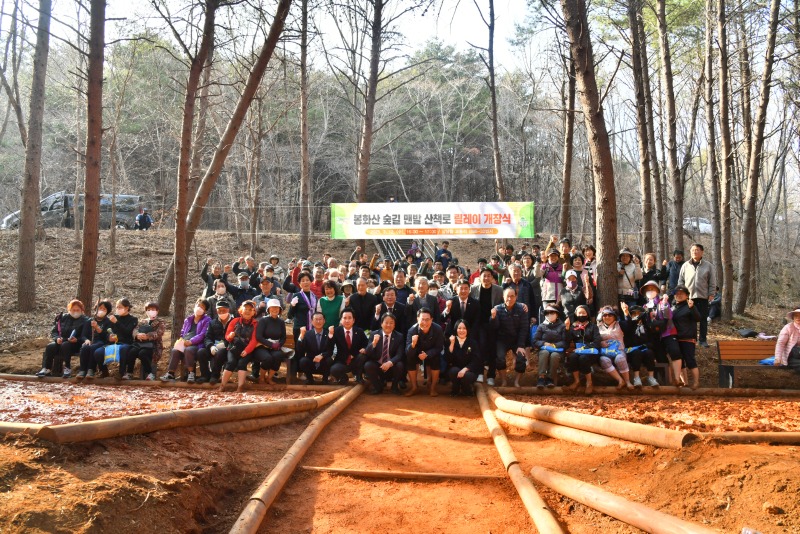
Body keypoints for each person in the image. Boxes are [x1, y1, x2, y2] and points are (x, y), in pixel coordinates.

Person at [161, 299, 210, 383]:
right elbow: (183, 332)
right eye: (198, 305)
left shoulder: (207, 320)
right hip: (185, 342)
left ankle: (191, 373)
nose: (199, 308)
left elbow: (203, 334)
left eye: (202, 307)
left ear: (205, 310)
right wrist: (181, 340)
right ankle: (171, 373)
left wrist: (191, 341)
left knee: (188, 350)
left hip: (198, 345)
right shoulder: (188, 320)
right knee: (175, 350)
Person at [677, 243, 716, 347]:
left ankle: (702, 340)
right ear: (690, 252)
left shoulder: (708, 266)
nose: (695, 252)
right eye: (693, 250)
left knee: (703, 319)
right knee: (689, 319)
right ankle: (692, 338)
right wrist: (681, 294)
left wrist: (711, 294)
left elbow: (712, 282)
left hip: (702, 297)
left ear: (702, 252)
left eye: (697, 250)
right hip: (688, 298)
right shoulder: (685, 265)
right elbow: (680, 281)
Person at [37, 299, 88, 378]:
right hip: (62, 341)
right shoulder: (63, 318)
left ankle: (67, 368)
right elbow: (54, 331)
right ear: (69, 310)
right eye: (73, 310)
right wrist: (57, 338)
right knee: (50, 346)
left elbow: (85, 335)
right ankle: (46, 368)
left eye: (78, 310)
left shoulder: (85, 320)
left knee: (66, 345)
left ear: (82, 310)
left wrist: (77, 340)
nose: (75, 312)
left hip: (76, 344)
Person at [470, 268, 504, 386]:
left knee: (492, 349)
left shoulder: (499, 290)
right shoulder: (473, 289)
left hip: (493, 323)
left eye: (489, 276)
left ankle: (491, 375)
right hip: (479, 323)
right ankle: (479, 372)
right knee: (480, 347)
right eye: (484, 276)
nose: (486, 278)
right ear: (480, 277)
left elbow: (507, 302)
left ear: (492, 278)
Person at [492, 287, 531, 388]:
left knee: (521, 358)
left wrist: (521, 345)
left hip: (517, 340)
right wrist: (493, 317)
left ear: (516, 297)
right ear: (503, 297)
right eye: (507, 296)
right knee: (500, 358)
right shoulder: (497, 309)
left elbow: (524, 328)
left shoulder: (522, 309)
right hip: (502, 340)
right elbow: (494, 327)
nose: (510, 299)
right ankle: (503, 381)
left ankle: (516, 381)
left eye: (512, 296)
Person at [218, 301, 259, 392]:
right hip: (233, 347)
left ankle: (240, 387)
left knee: (242, 364)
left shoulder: (255, 324)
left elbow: (254, 340)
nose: (247, 311)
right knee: (231, 363)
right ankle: (222, 385)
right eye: (245, 309)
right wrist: (230, 336)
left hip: (246, 349)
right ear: (241, 310)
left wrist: (247, 351)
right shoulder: (234, 321)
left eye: (250, 309)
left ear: (253, 312)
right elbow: (227, 337)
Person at [94, 298, 138, 379]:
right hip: (112, 343)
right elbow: (106, 332)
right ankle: (104, 372)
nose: (118, 309)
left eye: (120, 307)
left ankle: (122, 372)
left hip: (126, 343)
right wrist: (109, 337)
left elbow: (128, 332)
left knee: (123, 349)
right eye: (117, 307)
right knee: (98, 352)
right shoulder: (113, 318)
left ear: (127, 308)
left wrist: (117, 322)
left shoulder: (133, 319)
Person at [405, 308, 444, 396]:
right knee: (409, 358)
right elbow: (408, 351)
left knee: (436, 358)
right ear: (417, 319)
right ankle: (414, 387)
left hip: (431, 351)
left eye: (427, 320)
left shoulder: (438, 329)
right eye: (422, 319)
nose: (425, 323)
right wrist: (413, 344)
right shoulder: (412, 330)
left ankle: (432, 387)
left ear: (432, 320)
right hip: (417, 352)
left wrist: (427, 354)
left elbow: (439, 347)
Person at [618, 302, 659, 388]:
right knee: (636, 353)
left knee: (649, 353)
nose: (637, 315)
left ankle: (651, 377)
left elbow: (652, 339)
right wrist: (626, 314)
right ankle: (636, 378)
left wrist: (647, 345)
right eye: (634, 313)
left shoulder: (646, 325)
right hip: (631, 350)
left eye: (639, 314)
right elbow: (627, 327)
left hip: (644, 348)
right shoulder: (626, 324)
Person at [363, 313, 406, 395]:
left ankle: (394, 387)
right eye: (386, 322)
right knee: (368, 365)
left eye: (391, 323)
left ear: (394, 325)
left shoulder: (399, 336)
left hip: (391, 366)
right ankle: (377, 387)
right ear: (381, 324)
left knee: (400, 365)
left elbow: (400, 354)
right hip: (378, 365)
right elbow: (367, 353)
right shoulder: (374, 334)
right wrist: (374, 343)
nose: (388, 325)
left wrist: (390, 363)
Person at [564, 305, 602, 394]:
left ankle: (589, 382)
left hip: (591, 351)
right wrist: (567, 328)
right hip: (577, 351)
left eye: (583, 313)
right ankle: (577, 381)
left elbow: (597, 341)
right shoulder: (574, 327)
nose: (581, 315)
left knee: (583, 358)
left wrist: (584, 348)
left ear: (587, 314)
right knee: (573, 357)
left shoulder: (593, 327)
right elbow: (567, 340)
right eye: (579, 313)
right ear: (576, 314)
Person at [125, 301, 166, 380]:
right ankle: (129, 373)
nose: (151, 311)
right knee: (132, 352)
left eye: (153, 309)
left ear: (157, 311)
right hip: (140, 344)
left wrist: (147, 336)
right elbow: (135, 330)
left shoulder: (161, 322)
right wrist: (137, 335)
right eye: (148, 309)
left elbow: (159, 333)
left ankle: (150, 374)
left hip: (154, 346)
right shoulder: (142, 321)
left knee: (142, 353)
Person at [196, 300, 234, 384]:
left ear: (228, 310)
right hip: (214, 347)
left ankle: (215, 376)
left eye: (223, 310)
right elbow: (207, 337)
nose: (221, 312)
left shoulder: (234, 322)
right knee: (201, 352)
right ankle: (205, 375)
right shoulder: (212, 322)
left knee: (220, 353)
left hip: (228, 347)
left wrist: (225, 343)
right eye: (219, 310)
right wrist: (211, 346)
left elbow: (237, 337)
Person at [596, 306, 634, 390]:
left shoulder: (620, 324)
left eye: (610, 315)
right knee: (603, 360)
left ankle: (628, 381)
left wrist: (626, 313)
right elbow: (595, 340)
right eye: (605, 315)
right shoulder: (598, 327)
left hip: (619, 350)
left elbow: (630, 326)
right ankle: (620, 380)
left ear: (614, 316)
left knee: (620, 358)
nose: (607, 317)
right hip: (605, 352)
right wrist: (601, 343)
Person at [671, 286, 701, 389]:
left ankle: (696, 382)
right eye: (677, 293)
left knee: (690, 360)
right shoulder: (673, 307)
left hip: (687, 338)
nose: (679, 295)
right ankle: (684, 383)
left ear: (687, 295)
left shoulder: (689, 306)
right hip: (676, 338)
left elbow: (698, 318)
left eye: (681, 293)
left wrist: (692, 308)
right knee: (680, 362)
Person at [329, 309, 368, 385]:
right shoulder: (336, 331)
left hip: (356, 360)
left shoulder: (359, 331)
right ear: (341, 320)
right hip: (342, 360)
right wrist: (330, 335)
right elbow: (329, 346)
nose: (347, 320)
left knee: (363, 356)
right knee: (334, 369)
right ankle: (344, 377)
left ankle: (358, 376)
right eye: (345, 318)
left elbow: (366, 344)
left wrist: (364, 348)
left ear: (353, 320)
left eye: (349, 318)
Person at [253, 299, 287, 384]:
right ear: (268, 309)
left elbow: (283, 337)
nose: (275, 310)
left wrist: (279, 344)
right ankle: (261, 378)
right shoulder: (263, 320)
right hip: (262, 346)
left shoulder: (281, 322)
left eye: (277, 308)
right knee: (267, 358)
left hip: (276, 347)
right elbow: (259, 336)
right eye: (272, 307)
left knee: (278, 356)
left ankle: (269, 378)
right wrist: (271, 344)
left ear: (280, 310)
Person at [532, 305, 566, 388]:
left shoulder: (562, 326)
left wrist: (554, 345)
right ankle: (541, 378)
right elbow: (535, 340)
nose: (549, 314)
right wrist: (544, 343)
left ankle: (550, 379)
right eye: (547, 313)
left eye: (552, 312)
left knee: (554, 355)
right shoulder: (541, 326)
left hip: (557, 350)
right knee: (544, 353)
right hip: (544, 349)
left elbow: (565, 342)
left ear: (557, 314)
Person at [77, 300, 113, 379]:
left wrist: (97, 328)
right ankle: (82, 370)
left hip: (102, 342)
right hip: (91, 341)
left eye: (104, 309)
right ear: (96, 309)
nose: (101, 310)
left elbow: (106, 336)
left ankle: (91, 369)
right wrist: (86, 340)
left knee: (93, 348)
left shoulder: (108, 322)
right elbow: (83, 335)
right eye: (100, 308)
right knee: (85, 347)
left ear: (107, 311)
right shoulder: (89, 321)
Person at [445, 320, 482, 396]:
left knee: (467, 376)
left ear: (467, 330)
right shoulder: (451, 341)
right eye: (459, 328)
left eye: (464, 328)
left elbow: (476, 360)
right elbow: (448, 359)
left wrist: (465, 369)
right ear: (456, 329)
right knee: (453, 371)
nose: (461, 330)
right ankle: (455, 389)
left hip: (469, 371)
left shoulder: (473, 342)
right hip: (455, 369)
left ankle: (467, 390)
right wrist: (452, 344)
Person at [297, 312, 333, 385]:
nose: (318, 321)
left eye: (320, 319)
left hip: (324, 362)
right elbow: (300, 350)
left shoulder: (328, 333)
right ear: (312, 322)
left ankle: (325, 380)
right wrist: (301, 336)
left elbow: (330, 350)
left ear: (324, 321)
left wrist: (322, 355)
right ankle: (310, 379)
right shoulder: (307, 334)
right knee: (303, 361)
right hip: (311, 362)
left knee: (329, 360)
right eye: (316, 319)